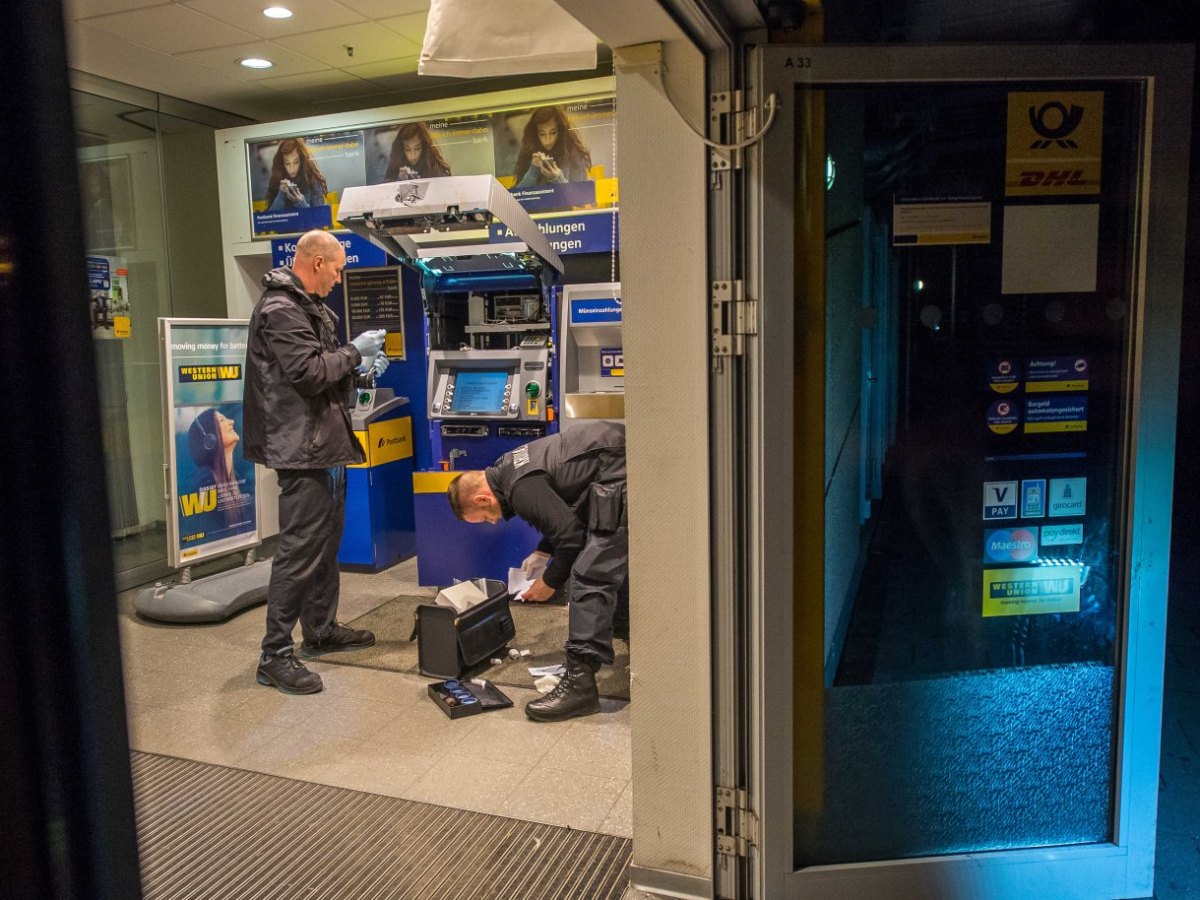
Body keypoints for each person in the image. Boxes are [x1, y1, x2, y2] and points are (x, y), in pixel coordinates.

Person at [242, 229, 390, 695]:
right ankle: (275, 654)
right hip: (302, 450)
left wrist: (359, 367)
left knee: (325, 544)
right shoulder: (281, 310)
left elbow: (328, 378)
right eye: (339, 269)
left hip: (325, 444)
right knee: (298, 550)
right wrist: (353, 352)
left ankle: (321, 630)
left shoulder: (312, 309)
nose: (340, 279)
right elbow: (307, 375)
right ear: (318, 262)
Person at [447, 421, 628, 722]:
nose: (493, 522)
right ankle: (623, 631)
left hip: (618, 471)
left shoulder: (518, 489)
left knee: (588, 575)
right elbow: (567, 505)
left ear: (482, 499)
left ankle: (580, 685)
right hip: (613, 462)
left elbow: (571, 538)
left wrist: (549, 582)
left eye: (485, 517)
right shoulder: (509, 466)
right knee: (611, 563)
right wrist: (544, 550)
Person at [186, 407, 251, 531]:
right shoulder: (203, 483)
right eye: (222, 420)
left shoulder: (235, 477)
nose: (231, 421)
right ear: (210, 439)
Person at [513, 105, 593, 187]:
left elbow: (580, 196)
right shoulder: (529, 153)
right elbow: (516, 197)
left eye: (553, 132)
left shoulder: (574, 154)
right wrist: (532, 171)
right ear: (535, 134)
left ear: (561, 131)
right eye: (542, 134)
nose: (547, 140)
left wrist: (557, 178)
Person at [264, 138, 329, 211]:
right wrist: (281, 195)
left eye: (296, 162)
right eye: (287, 163)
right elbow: (270, 219)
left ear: (302, 161)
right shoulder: (277, 182)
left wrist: (300, 203)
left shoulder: (313, 181)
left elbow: (319, 219)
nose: (292, 168)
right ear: (282, 164)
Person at [384, 121, 452, 181]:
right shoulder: (395, 164)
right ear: (401, 149)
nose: (412, 156)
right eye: (407, 150)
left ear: (424, 147)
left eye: (417, 148)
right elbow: (385, 189)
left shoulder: (434, 166)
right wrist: (398, 182)